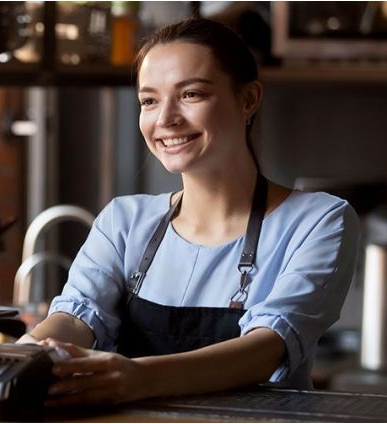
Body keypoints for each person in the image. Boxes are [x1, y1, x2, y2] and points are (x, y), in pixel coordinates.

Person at [21, 18, 360, 406]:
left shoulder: (318, 220)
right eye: (149, 100)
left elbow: (267, 349)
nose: (165, 119)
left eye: (191, 94)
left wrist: (138, 377)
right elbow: (77, 318)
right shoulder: (123, 221)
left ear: (248, 99)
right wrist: (22, 355)